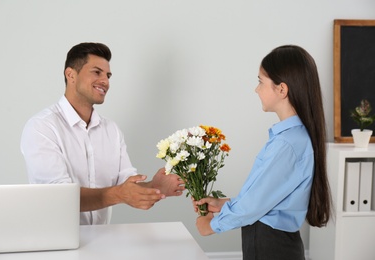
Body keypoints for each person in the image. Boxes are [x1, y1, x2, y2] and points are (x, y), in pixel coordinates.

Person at [21, 42, 185, 225]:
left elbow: (126, 184)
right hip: (55, 244)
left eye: (108, 75)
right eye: (96, 72)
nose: (105, 81)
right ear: (71, 75)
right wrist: (118, 194)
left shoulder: (111, 130)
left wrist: (154, 187)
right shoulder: (42, 127)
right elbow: (59, 196)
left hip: (101, 240)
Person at [193, 45, 332, 260]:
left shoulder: (286, 144)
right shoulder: (293, 138)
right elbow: (267, 198)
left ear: (282, 90)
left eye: (260, 82)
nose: (256, 89)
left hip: (271, 246)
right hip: (276, 243)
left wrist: (210, 225)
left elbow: (252, 206)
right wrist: (225, 204)